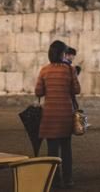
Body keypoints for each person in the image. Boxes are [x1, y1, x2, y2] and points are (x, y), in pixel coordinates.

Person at [36, 40, 80, 188]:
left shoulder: (44, 70)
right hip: (65, 114)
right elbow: (76, 90)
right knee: (66, 148)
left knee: (52, 149)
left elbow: (38, 92)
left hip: (49, 115)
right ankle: (68, 179)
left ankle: (54, 179)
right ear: (62, 54)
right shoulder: (70, 70)